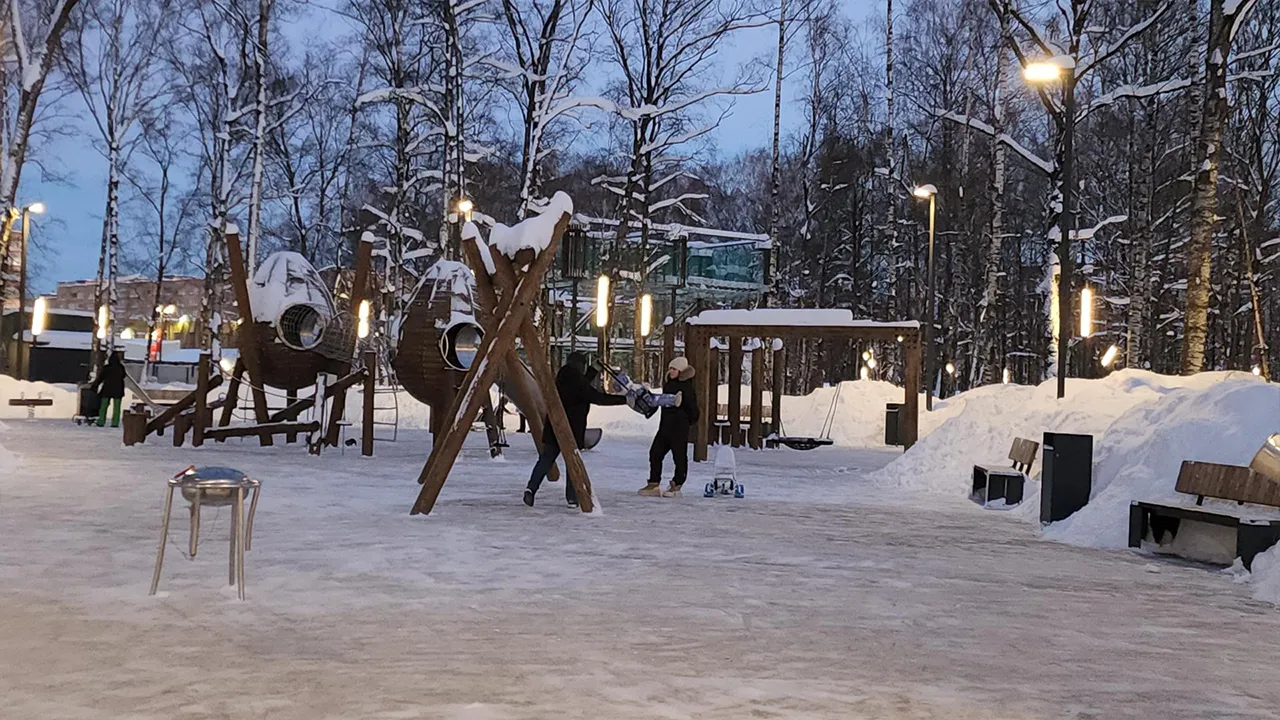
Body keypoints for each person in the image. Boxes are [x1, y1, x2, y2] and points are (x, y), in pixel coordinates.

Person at [524, 352, 627, 507]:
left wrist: (593, 371)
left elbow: (581, 385)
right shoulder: (579, 383)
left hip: (554, 427)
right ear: (581, 365)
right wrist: (625, 400)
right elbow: (597, 397)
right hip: (572, 429)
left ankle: (530, 489)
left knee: (546, 460)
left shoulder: (563, 376)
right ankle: (572, 498)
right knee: (572, 463)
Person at [639, 356, 699, 497]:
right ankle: (653, 483)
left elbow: (693, 410)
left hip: (679, 428)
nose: (671, 371)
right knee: (655, 453)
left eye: (674, 369)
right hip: (665, 427)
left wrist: (685, 421)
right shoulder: (668, 385)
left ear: (681, 371)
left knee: (679, 457)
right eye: (670, 368)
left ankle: (677, 484)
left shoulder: (687, 388)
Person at [94, 352, 127, 428]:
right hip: (118, 390)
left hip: (107, 389)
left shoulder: (107, 368)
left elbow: (100, 378)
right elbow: (124, 376)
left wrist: (95, 385)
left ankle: (101, 421)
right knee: (117, 408)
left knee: (104, 406)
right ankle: (115, 423)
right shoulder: (121, 367)